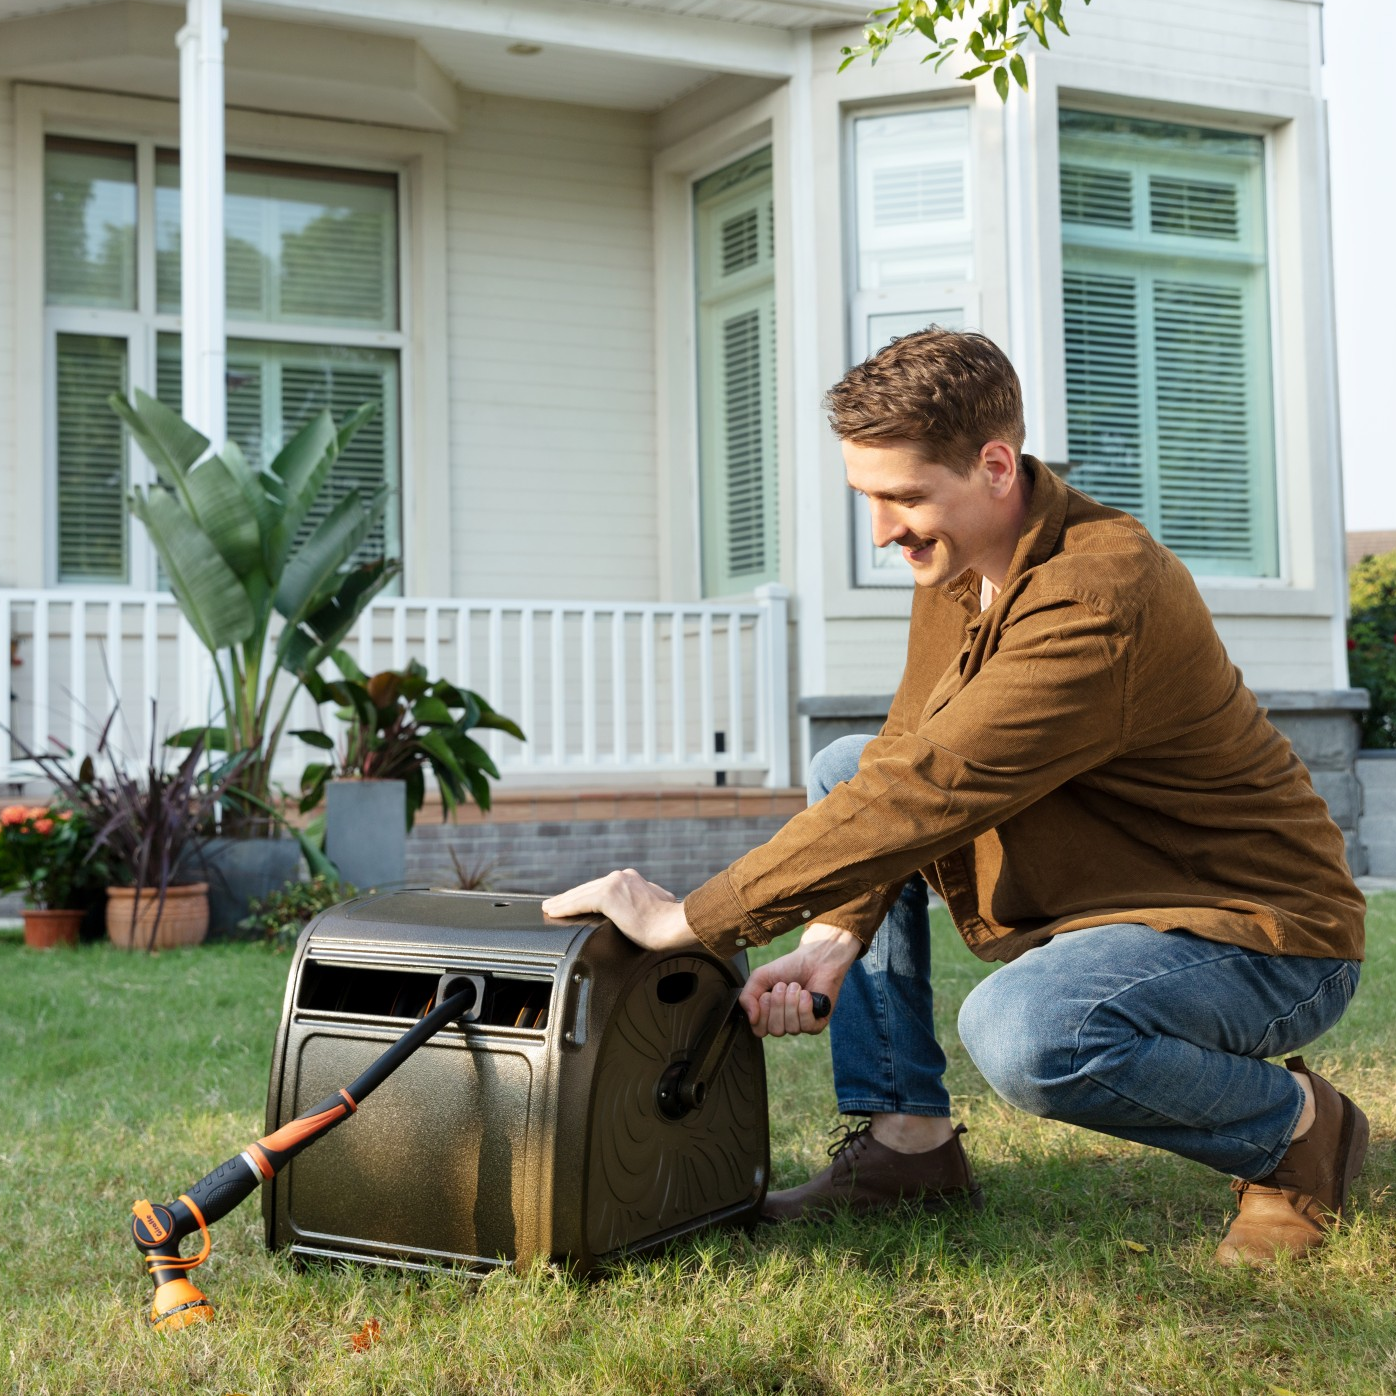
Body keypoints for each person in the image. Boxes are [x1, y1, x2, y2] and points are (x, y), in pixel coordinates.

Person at [541, 327, 1366, 1266]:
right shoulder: (966, 563)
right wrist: (831, 937)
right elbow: (901, 758)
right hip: (1118, 912)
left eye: (904, 498)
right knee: (848, 765)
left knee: (1029, 1030)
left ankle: (1296, 1131)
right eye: (870, 498)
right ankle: (907, 1146)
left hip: (1259, 938)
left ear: (995, 465)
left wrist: (692, 918)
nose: (885, 530)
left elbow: (938, 789)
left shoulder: (1098, 595)